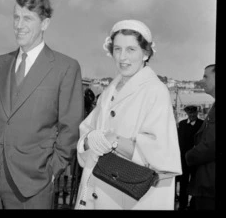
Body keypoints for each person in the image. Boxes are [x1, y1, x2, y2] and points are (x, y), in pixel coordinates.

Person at [0, 0, 84, 209]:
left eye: (27, 18)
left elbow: (70, 129)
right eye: (16, 17)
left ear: (45, 23)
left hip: (32, 185)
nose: (19, 25)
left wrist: (52, 170)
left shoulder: (66, 68)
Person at [75, 19, 182, 210]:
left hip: (130, 199)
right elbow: (87, 132)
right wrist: (89, 140)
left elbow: (161, 155)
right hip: (95, 190)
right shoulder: (109, 91)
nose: (122, 57)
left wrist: (113, 140)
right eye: (117, 49)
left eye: (131, 50)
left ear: (146, 53)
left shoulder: (155, 91)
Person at [185, 64, 215, 210]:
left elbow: (210, 145)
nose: (202, 80)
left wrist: (187, 157)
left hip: (210, 186)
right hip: (205, 184)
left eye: (206, 76)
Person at [177, 105, 203, 210]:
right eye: (189, 113)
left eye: (193, 113)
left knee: (195, 181)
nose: (191, 115)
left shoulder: (202, 124)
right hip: (183, 159)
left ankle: (193, 205)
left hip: (195, 159)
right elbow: (178, 141)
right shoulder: (182, 124)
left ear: (197, 113)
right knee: (183, 182)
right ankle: (182, 205)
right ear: (187, 113)